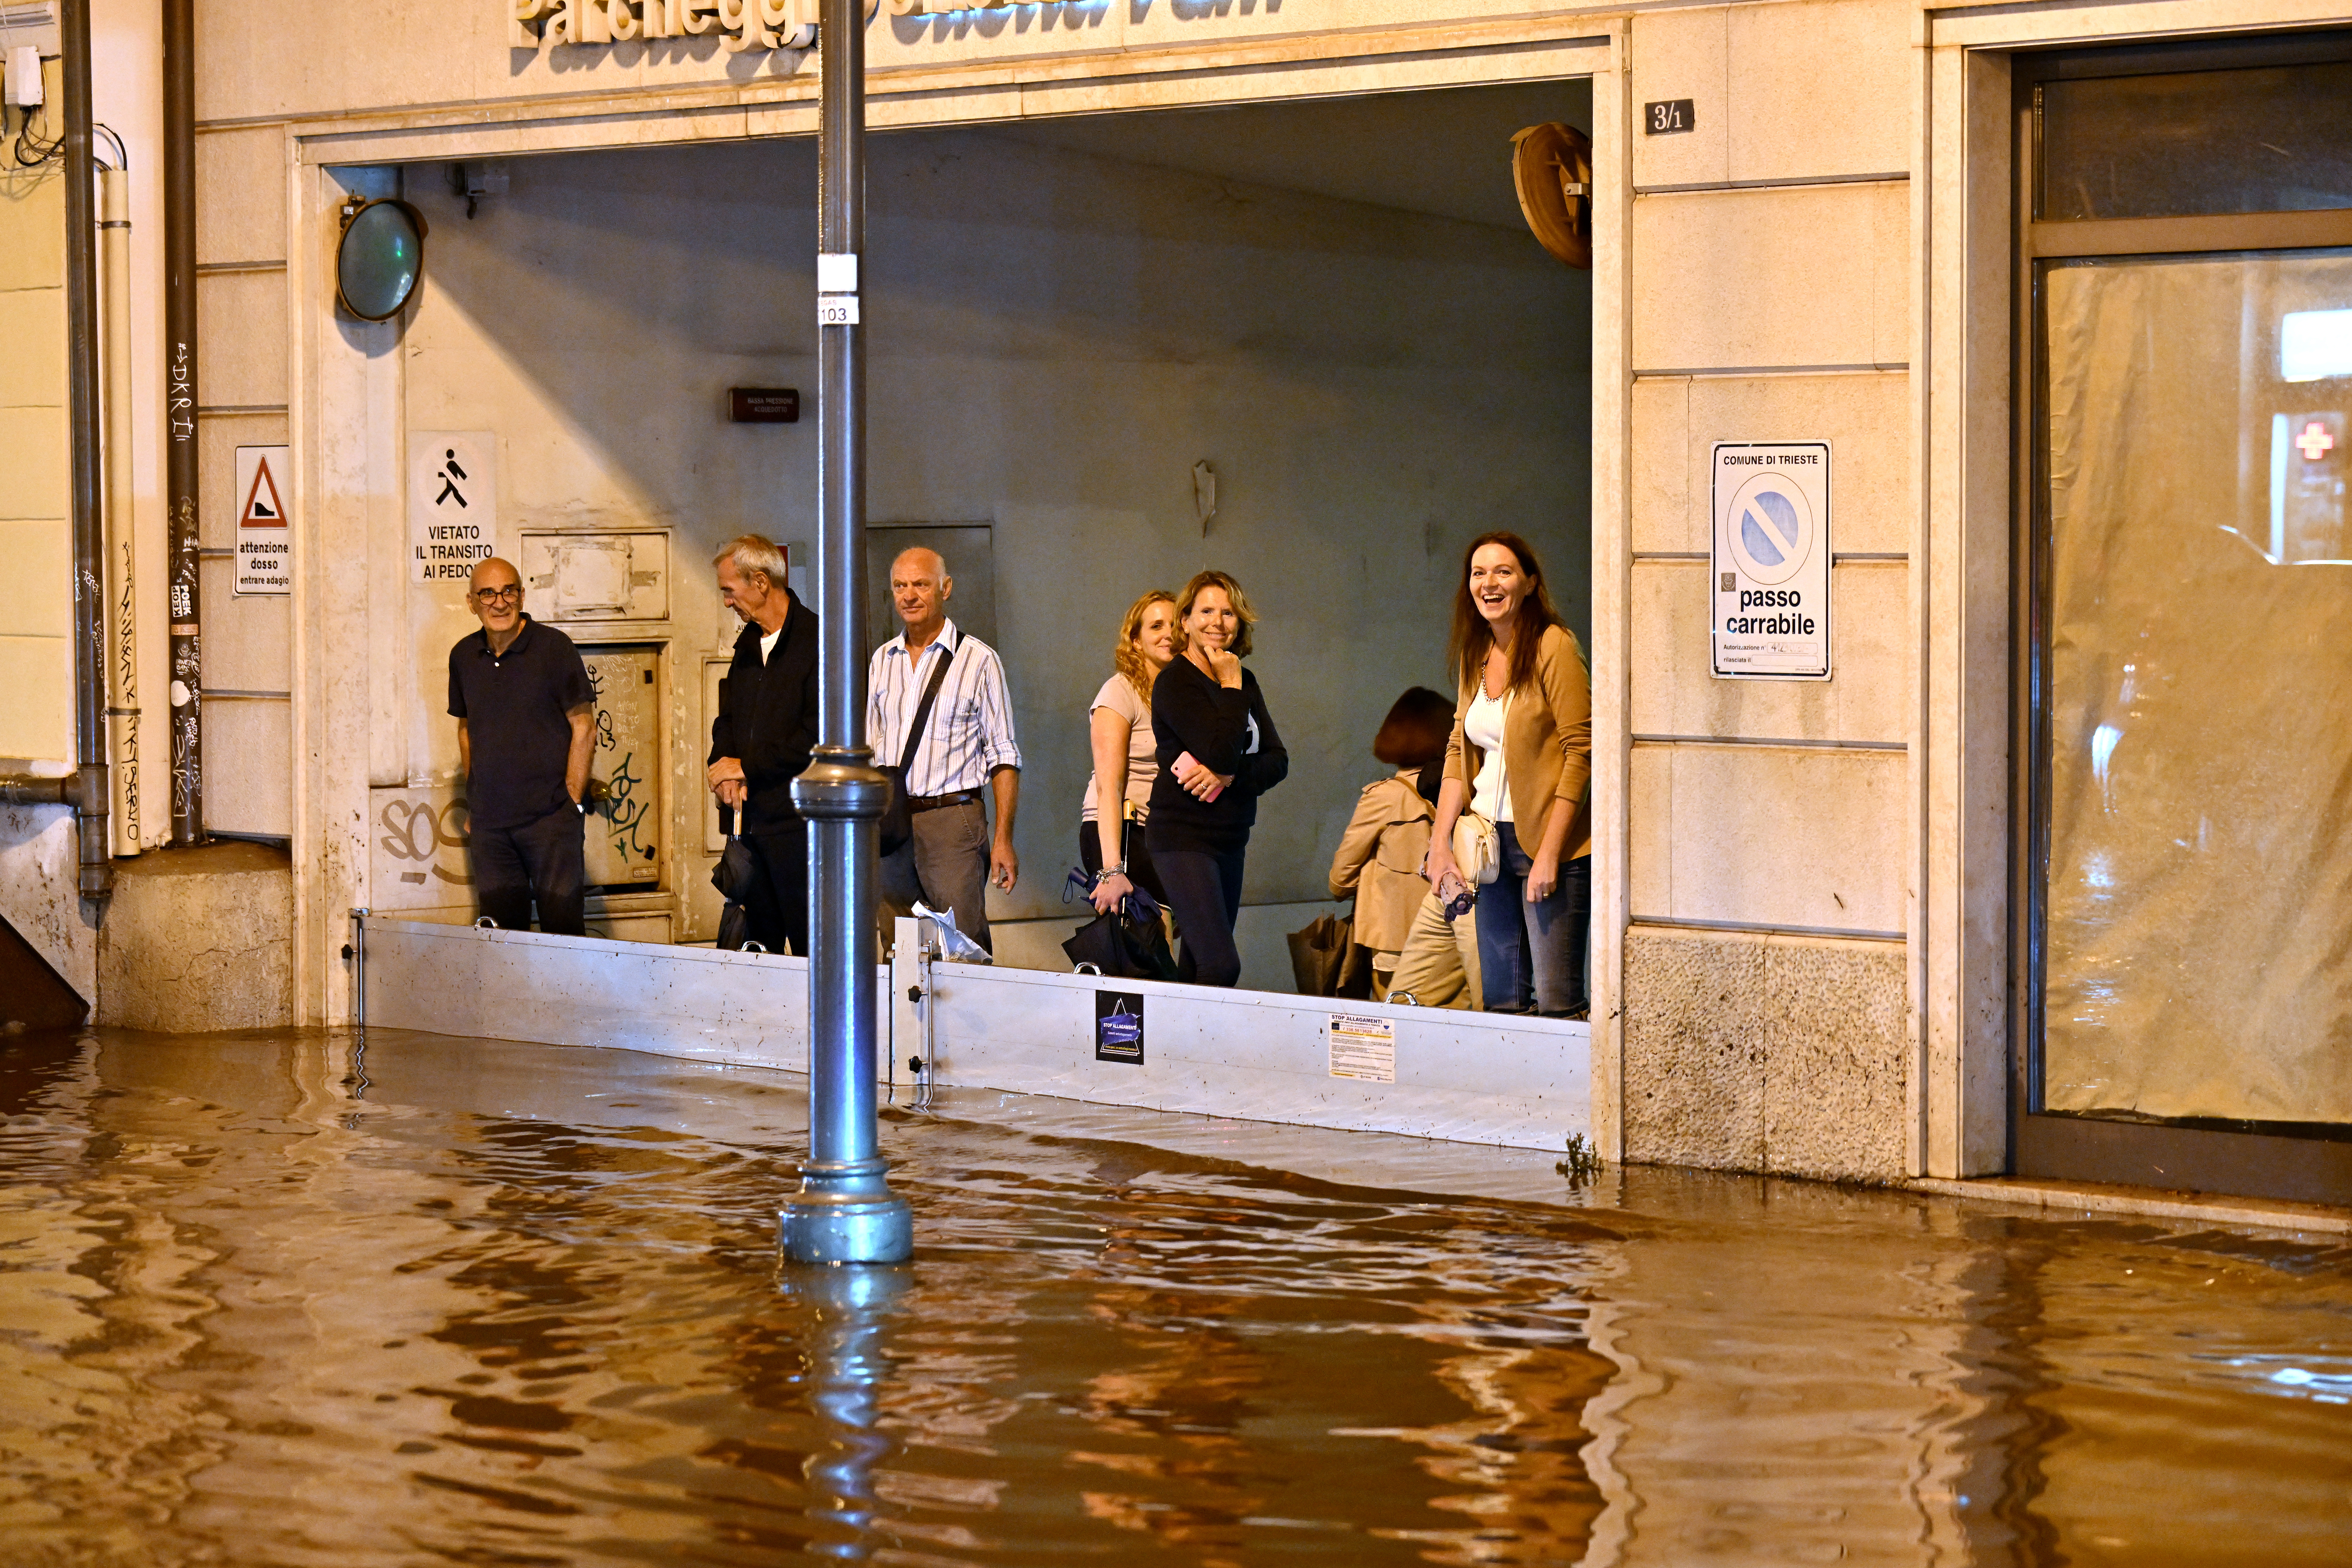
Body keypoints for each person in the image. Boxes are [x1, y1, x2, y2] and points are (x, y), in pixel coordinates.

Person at [1424, 532, 1593, 1018]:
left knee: (1558, 1002)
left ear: (1529, 583)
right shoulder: (1475, 652)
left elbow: (1581, 751)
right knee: (1502, 1003)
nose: (1489, 583)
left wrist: (1550, 856)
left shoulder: (1553, 645)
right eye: (1479, 573)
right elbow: (1459, 747)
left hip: (1550, 844)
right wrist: (1440, 843)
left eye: (1503, 571)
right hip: (1488, 847)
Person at [868, 547, 1022, 952]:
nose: (909, 595)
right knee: (897, 947)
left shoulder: (980, 660)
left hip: (954, 821)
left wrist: (1004, 837)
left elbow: (1004, 755)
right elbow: (869, 751)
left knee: (962, 946)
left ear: (946, 589)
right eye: (900, 586)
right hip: (892, 823)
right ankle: (902, 1019)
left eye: (921, 584)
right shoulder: (882, 660)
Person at [1146, 570, 1288, 987]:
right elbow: (1220, 752)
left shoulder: (1247, 680)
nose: (1218, 622)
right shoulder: (1176, 681)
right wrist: (1229, 685)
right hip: (1183, 838)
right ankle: (1201, 1052)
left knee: (1198, 966)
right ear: (1185, 620)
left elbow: (1278, 760)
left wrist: (1228, 780)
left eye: (1228, 613)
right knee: (1221, 966)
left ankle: (1179, 1051)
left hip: (1232, 838)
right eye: (1206, 611)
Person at [447, 556, 595, 936]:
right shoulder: (463, 656)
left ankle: (569, 1000)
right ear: (471, 603)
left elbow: (584, 726)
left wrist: (572, 803)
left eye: (508, 591)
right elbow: (467, 730)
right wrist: (475, 800)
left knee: (564, 937)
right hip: (491, 830)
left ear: (522, 595)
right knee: (500, 940)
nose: (500, 603)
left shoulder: (554, 649)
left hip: (550, 823)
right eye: (488, 594)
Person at [706, 534, 820, 955]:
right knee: (758, 956)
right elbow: (729, 718)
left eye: (729, 591)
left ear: (760, 582)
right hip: (751, 830)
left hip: (800, 832)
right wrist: (722, 766)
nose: (726, 602)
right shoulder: (748, 645)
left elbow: (817, 738)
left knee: (812, 950)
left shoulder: (817, 642)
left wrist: (746, 766)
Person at [1328, 687, 1455, 1001]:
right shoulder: (1463, 792)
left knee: (1395, 1023)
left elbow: (1339, 878)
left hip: (1396, 938)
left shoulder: (1384, 796)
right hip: (1452, 932)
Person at [1083, 589, 1177, 914]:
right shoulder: (1120, 691)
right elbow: (1109, 786)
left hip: (1165, 833)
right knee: (1145, 948)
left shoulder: (1182, 695)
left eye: (1176, 624)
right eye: (1156, 626)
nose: (1169, 633)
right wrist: (1113, 870)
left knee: (1164, 947)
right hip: (1123, 832)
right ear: (1136, 641)